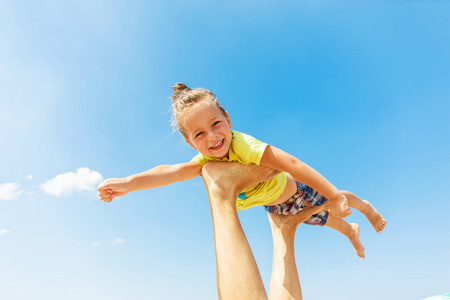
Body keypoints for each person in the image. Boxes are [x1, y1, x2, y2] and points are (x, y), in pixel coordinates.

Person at [97, 83, 386, 298]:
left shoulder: (242, 145)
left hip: (293, 191)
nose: (212, 137)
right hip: (276, 208)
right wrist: (128, 183)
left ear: (228, 121)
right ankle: (351, 232)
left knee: (334, 204)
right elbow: (170, 172)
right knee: (320, 220)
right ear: (190, 143)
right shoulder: (205, 161)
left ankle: (365, 209)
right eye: (199, 134)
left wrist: (333, 195)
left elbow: (292, 163)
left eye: (216, 124)